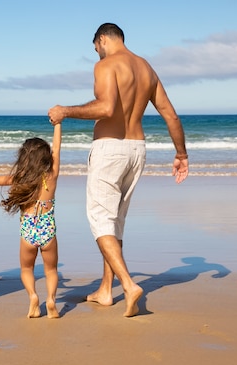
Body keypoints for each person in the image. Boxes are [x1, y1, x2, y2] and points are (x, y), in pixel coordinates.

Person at [48, 23, 189, 317]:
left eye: (96, 48)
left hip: (109, 149)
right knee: (115, 222)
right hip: (137, 150)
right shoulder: (146, 68)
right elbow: (170, 115)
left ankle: (128, 284)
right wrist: (181, 153)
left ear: (102, 40)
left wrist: (65, 112)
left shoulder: (107, 65)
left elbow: (107, 108)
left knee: (100, 219)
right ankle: (105, 290)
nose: (97, 54)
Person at [0, 123, 62, 318]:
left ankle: (33, 297)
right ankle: (51, 299)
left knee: (27, 268)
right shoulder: (51, 176)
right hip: (48, 230)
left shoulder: (19, 178)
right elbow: (57, 148)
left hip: (28, 232)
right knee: (51, 270)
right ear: (46, 158)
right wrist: (58, 124)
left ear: (23, 158)